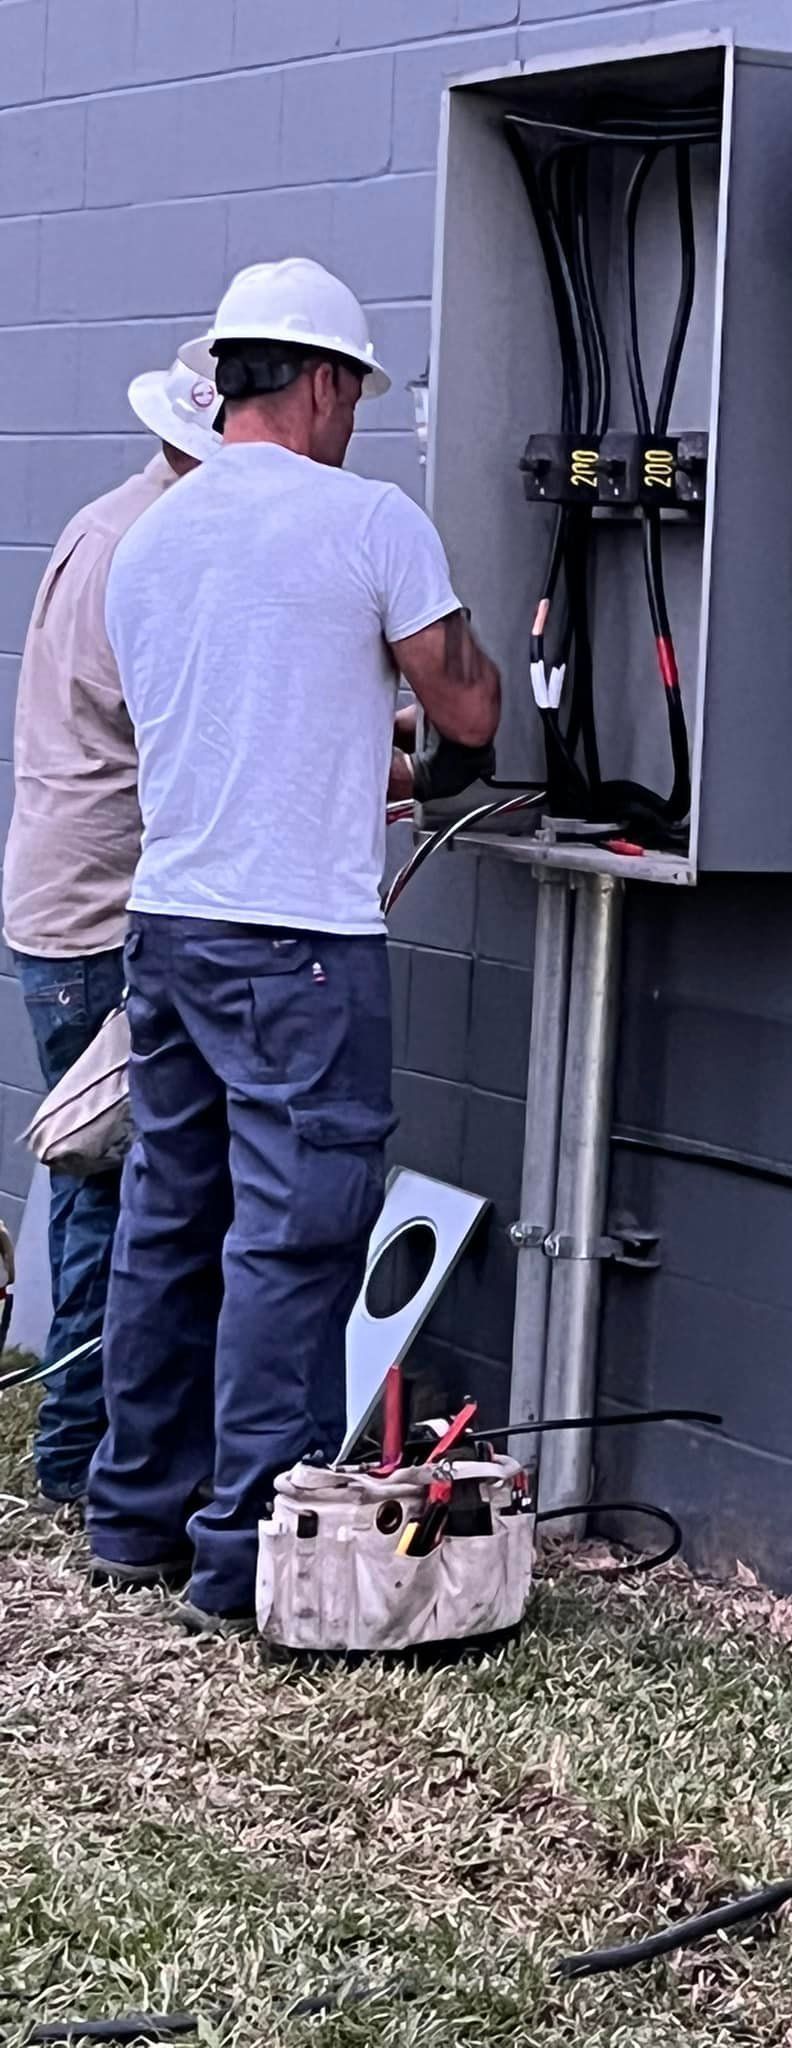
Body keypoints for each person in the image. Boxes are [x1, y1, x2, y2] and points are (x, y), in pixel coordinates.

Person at [86, 258, 501, 1629]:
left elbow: (232, 720)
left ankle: (132, 1514)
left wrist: (346, 746)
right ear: (323, 382)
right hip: (298, 947)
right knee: (292, 1240)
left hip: (171, 925)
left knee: (168, 1214)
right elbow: (473, 709)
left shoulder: (152, 535)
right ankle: (242, 1560)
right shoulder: (369, 520)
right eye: (355, 394)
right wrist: (461, 669)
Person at [3, 359, 222, 1508]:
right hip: (100, 919)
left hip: (60, 907)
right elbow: (187, 732)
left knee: (108, 1187)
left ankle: (83, 1444)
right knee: (113, 1189)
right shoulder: (157, 550)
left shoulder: (108, 523)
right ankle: (79, 1454)